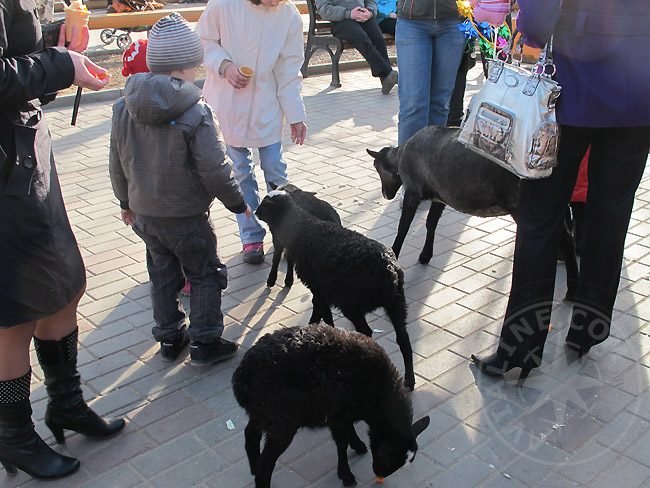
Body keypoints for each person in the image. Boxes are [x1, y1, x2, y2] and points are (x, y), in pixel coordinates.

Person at [471, 0, 650, 384]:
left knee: (540, 218)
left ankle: (520, 348)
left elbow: (536, 19)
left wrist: (526, 42)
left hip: (573, 87)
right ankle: (589, 331)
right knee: (612, 214)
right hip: (641, 91)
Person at [0, 4, 125, 480]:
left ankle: (66, 403)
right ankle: (13, 435)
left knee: (64, 284)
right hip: (4, 172)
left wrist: (58, 47)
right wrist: (60, 64)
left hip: (24, 155)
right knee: (14, 312)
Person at [109, 13, 252, 365]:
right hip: (187, 216)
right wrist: (239, 204)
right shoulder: (196, 110)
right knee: (205, 273)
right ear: (193, 63)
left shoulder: (122, 107)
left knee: (161, 273)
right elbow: (215, 168)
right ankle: (205, 342)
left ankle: (170, 338)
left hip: (144, 214)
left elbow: (117, 161)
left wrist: (125, 201)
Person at [197, 0, 307, 264]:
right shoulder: (224, 4)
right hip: (227, 104)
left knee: (275, 171)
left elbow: (289, 70)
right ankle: (251, 236)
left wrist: (295, 114)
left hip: (266, 104)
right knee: (240, 172)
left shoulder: (289, 15)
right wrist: (225, 66)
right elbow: (203, 41)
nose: (277, 2)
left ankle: (286, 233)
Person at [395, 0, 466, 146]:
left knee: (440, 103)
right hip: (412, 21)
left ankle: (431, 165)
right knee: (413, 103)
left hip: (453, 21)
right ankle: (406, 166)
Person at [316, 0, 398, 94]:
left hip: (362, 18)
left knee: (377, 38)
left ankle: (386, 80)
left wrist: (369, 12)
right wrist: (349, 14)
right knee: (362, 38)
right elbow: (324, 10)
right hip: (341, 21)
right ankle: (388, 73)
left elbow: (370, 2)